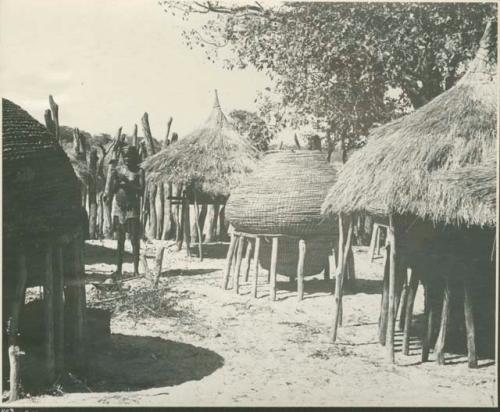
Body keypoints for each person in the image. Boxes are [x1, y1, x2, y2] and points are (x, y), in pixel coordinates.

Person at [104, 145, 144, 281]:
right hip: (119, 209)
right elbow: (113, 189)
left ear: (134, 157)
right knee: (120, 241)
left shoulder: (139, 171)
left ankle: (136, 270)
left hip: (132, 208)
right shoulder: (119, 169)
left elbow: (141, 190)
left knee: (134, 240)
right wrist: (116, 179)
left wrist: (127, 182)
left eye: (129, 156)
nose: (127, 159)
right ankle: (119, 269)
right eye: (125, 156)